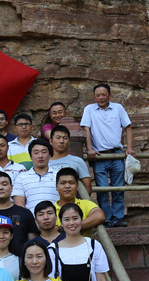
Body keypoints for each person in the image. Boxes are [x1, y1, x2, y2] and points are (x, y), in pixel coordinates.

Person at [81, 83, 134, 228]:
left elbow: (128, 127)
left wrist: (129, 148)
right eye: (98, 95)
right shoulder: (89, 109)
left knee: (118, 188)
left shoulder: (118, 108)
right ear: (94, 97)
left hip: (116, 154)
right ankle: (106, 218)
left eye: (104, 94)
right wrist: (89, 149)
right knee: (102, 188)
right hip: (99, 156)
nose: (101, 97)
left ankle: (118, 218)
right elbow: (86, 129)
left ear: (109, 95)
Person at [0, 172, 39, 257]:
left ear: (11, 188)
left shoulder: (25, 213)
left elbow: (33, 243)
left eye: (4, 184)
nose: (0, 187)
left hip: (21, 262)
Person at [54, 168, 105, 234]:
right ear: (56, 186)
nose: (67, 186)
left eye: (71, 183)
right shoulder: (51, 210)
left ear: (77, 186)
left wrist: (67, 228)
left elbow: (100, 215)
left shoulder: (85, 204)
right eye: (63, 183)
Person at [13, 139, 59, 210]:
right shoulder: (21, 178)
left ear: (50, 155)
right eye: (36, 153)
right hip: (31, 217)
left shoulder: (59, 176)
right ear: (31, 156)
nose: (40, 156)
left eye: (44, 152)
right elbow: (19, 206)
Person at [49, 125, 92, 194]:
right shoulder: (46, 163)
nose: (61, 141)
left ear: (69, 142)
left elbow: (87, 188)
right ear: (51, 141)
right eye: (58, 138)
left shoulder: (78, 161)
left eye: (65, 138)